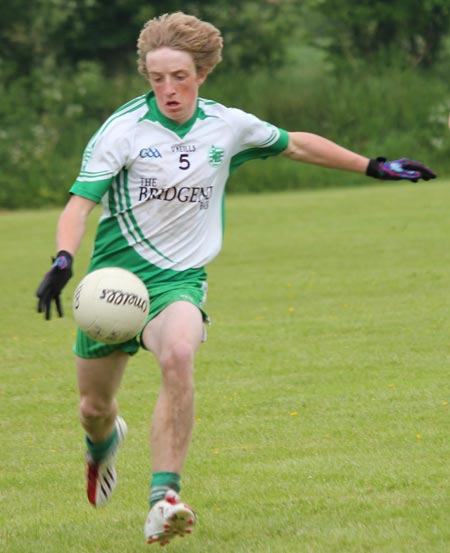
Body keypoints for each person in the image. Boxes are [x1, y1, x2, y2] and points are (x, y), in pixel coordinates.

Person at [36, 11, 436, 547]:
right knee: (93, 409)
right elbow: (79, 205)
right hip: (113, 286)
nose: (168, 89)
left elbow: (296, 144)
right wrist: (64, 259)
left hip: (177, 281)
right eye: (156, 78)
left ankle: (164, 500)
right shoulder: (122, 130)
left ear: (202, 73)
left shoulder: (226, 126)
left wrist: (374, 166)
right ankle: (102, 443)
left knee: (178, 355)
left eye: (179, 77)